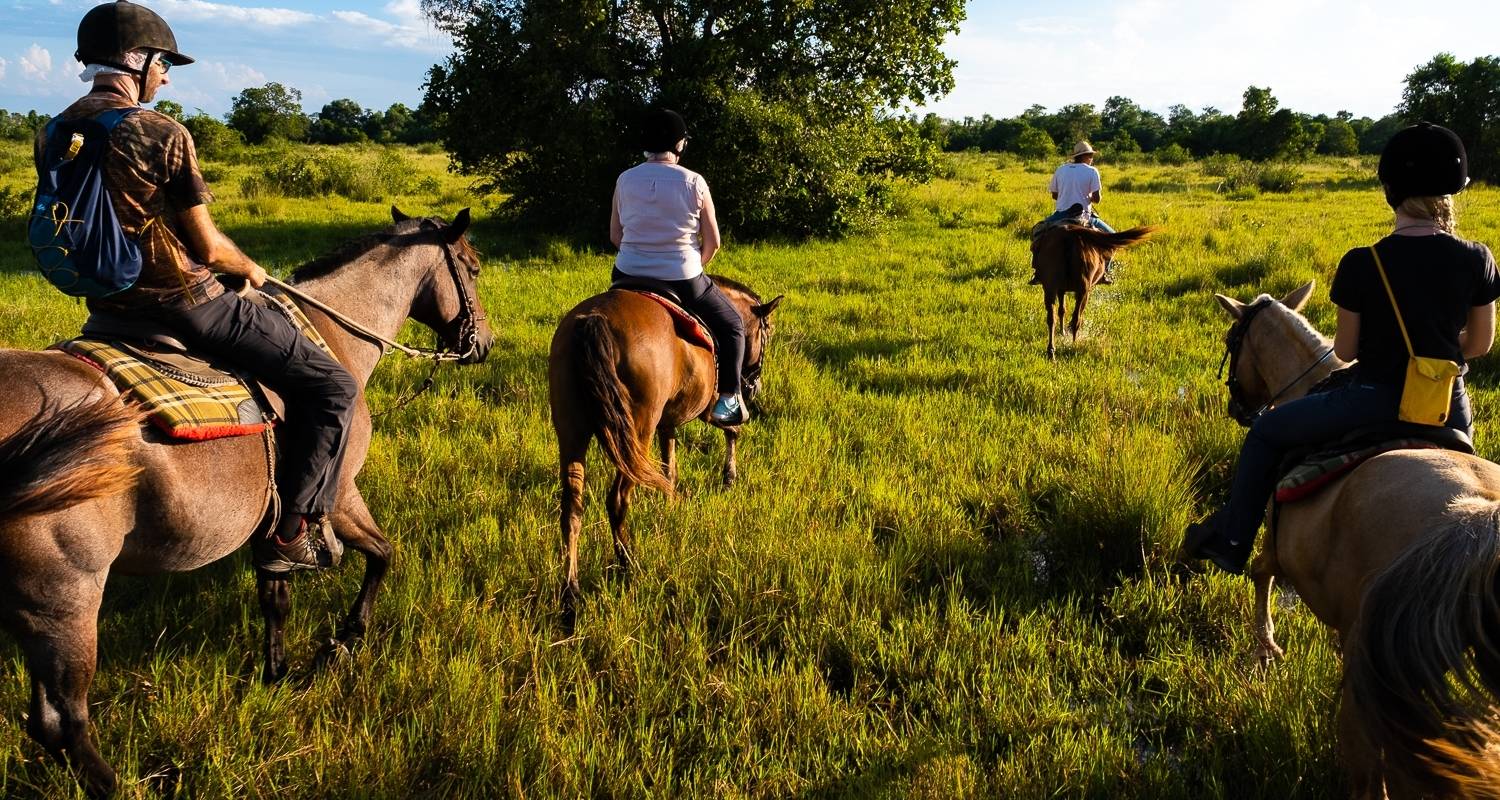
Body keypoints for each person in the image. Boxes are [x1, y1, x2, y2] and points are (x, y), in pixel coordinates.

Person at [43, 0, 357, 573]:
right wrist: (249, 267)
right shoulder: (162, 132)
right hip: (187, 308)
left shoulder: (56, 130)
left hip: (108, 309)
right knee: (334, 386)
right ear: (135, 61)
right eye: (163, 64)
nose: (164, 77)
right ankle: (292, 534)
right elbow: (209, 248)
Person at [1182, 122, 1500, 575]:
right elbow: (1481, 344)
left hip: (1372, 399)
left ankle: (1233, 540)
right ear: (1452, 191)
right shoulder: (1478, 257)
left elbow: (1347, 351)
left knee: (1266, 433)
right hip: (1446, 406)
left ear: (1390, 189)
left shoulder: (1361, 263)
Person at [609, 107, 748, 425]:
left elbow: (616, 235)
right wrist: (690, 264)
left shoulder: (625, 179)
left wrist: (640, 254)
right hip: (682, 278)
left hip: (627, 274)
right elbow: (712, 242)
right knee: (732, 326)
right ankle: (729, 401)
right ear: (680, 144)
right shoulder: (694, 182)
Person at [1030, 141, 1117, 285]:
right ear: (1085, 156)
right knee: (1113, 238)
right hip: (1084, 216)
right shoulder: (1091, 171)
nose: (1092, 159)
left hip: (1060, 215)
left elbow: (1054, 195)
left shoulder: (1061, 169)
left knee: (1036, 233)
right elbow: (1097, 199)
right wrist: (1087, 197)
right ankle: (1104, 273)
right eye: (1091, 156)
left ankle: (1038, 272)